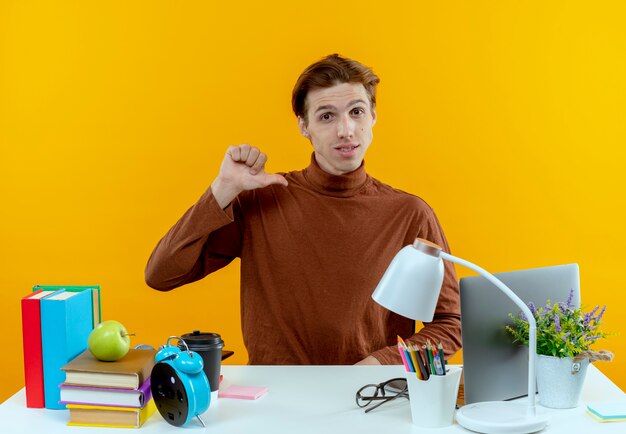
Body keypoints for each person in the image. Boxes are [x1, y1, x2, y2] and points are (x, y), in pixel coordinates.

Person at [145, 54, 461, 365]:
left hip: (370, 399)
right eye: (327, 116)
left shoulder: (409, 213)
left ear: (373, 116)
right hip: (276, 400)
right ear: (303, 126)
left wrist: (380, 364)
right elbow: (161, 275)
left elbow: (450, 324)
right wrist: (223, 189)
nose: (346, 130)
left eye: (356, 112)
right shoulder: (261, 199)